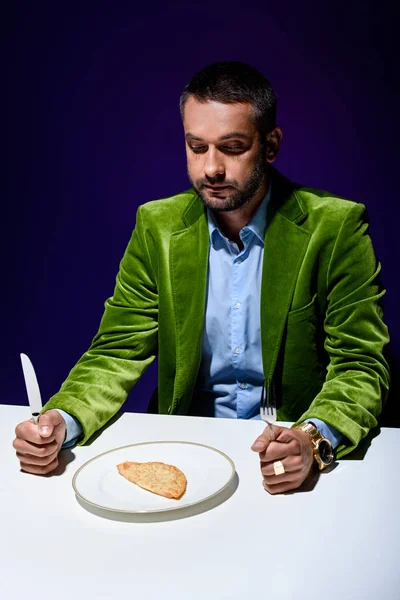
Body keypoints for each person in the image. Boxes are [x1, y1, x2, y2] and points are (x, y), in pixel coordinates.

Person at [13, 61, 390, 494]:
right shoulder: (157, 227)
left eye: (231, 147)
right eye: (196, 147)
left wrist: (312, 439)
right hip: (187, 454)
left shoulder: (335, 228)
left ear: (270, 144)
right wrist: (63, 420)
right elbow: (116, 352)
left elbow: (361, 365)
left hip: (286, 460)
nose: (211, 168)